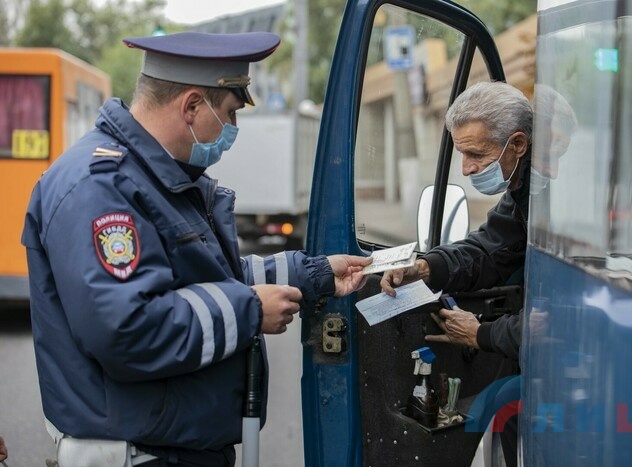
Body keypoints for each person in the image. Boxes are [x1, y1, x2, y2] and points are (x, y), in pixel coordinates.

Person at [21, 31, 371, 467]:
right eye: (229, 114)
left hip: (171, 448)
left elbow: (208, 276)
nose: (233, 130)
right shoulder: (101, 188)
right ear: (190, 107)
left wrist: (315, 273)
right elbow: (128, 329)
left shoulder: (155, 178)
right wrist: (248, 310)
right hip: (140, 455)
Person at [380, 81, 576, 467]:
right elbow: (489, 249)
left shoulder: (565, 203)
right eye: (462, 154)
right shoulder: (525, 190)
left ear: (517, 144)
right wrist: (425, 267)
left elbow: (564, 316)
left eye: (475, 154)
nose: (467, 168)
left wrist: (481, 333)